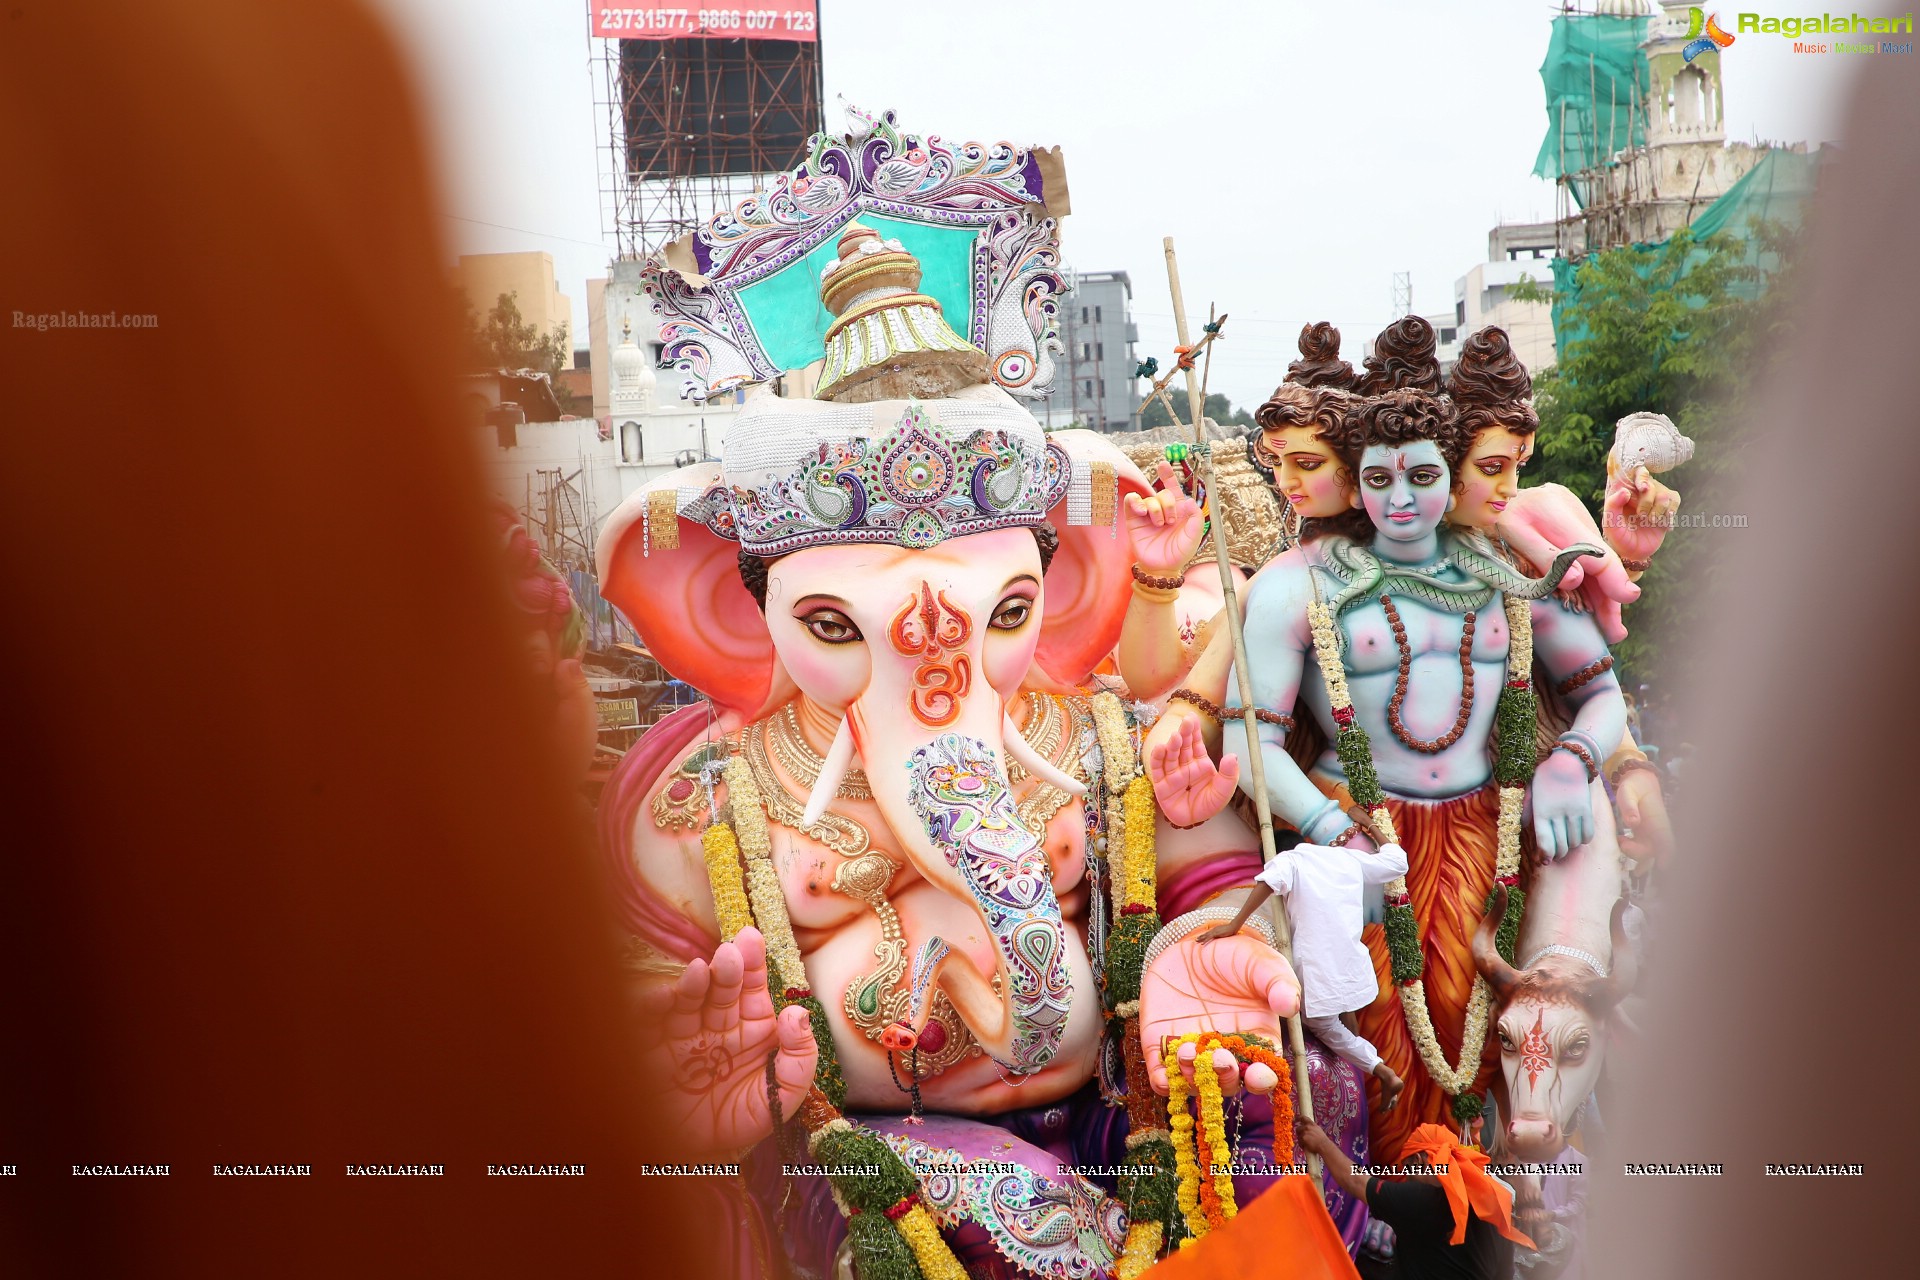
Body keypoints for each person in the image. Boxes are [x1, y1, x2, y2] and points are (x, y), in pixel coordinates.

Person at [1191, 800, 1408, 1110]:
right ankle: (1367, 1069)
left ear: (1271, 856)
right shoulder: (1344, 858)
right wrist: (1369, 826)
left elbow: (1267, 882)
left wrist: (1232, 926)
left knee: (1322, 1026)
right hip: (1353, 964)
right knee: (1341, 1013)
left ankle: (1381, 1070)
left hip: (1316, 965)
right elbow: (1398, 861)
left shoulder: (1289, 861)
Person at [1298, 1119, 1534, 1280]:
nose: (1406, 1178)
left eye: (1407, 1169)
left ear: (1420, 1160)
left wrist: (1321, 1143)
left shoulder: (1421, 1200)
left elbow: (1357, 1181)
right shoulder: (1494, 1205)